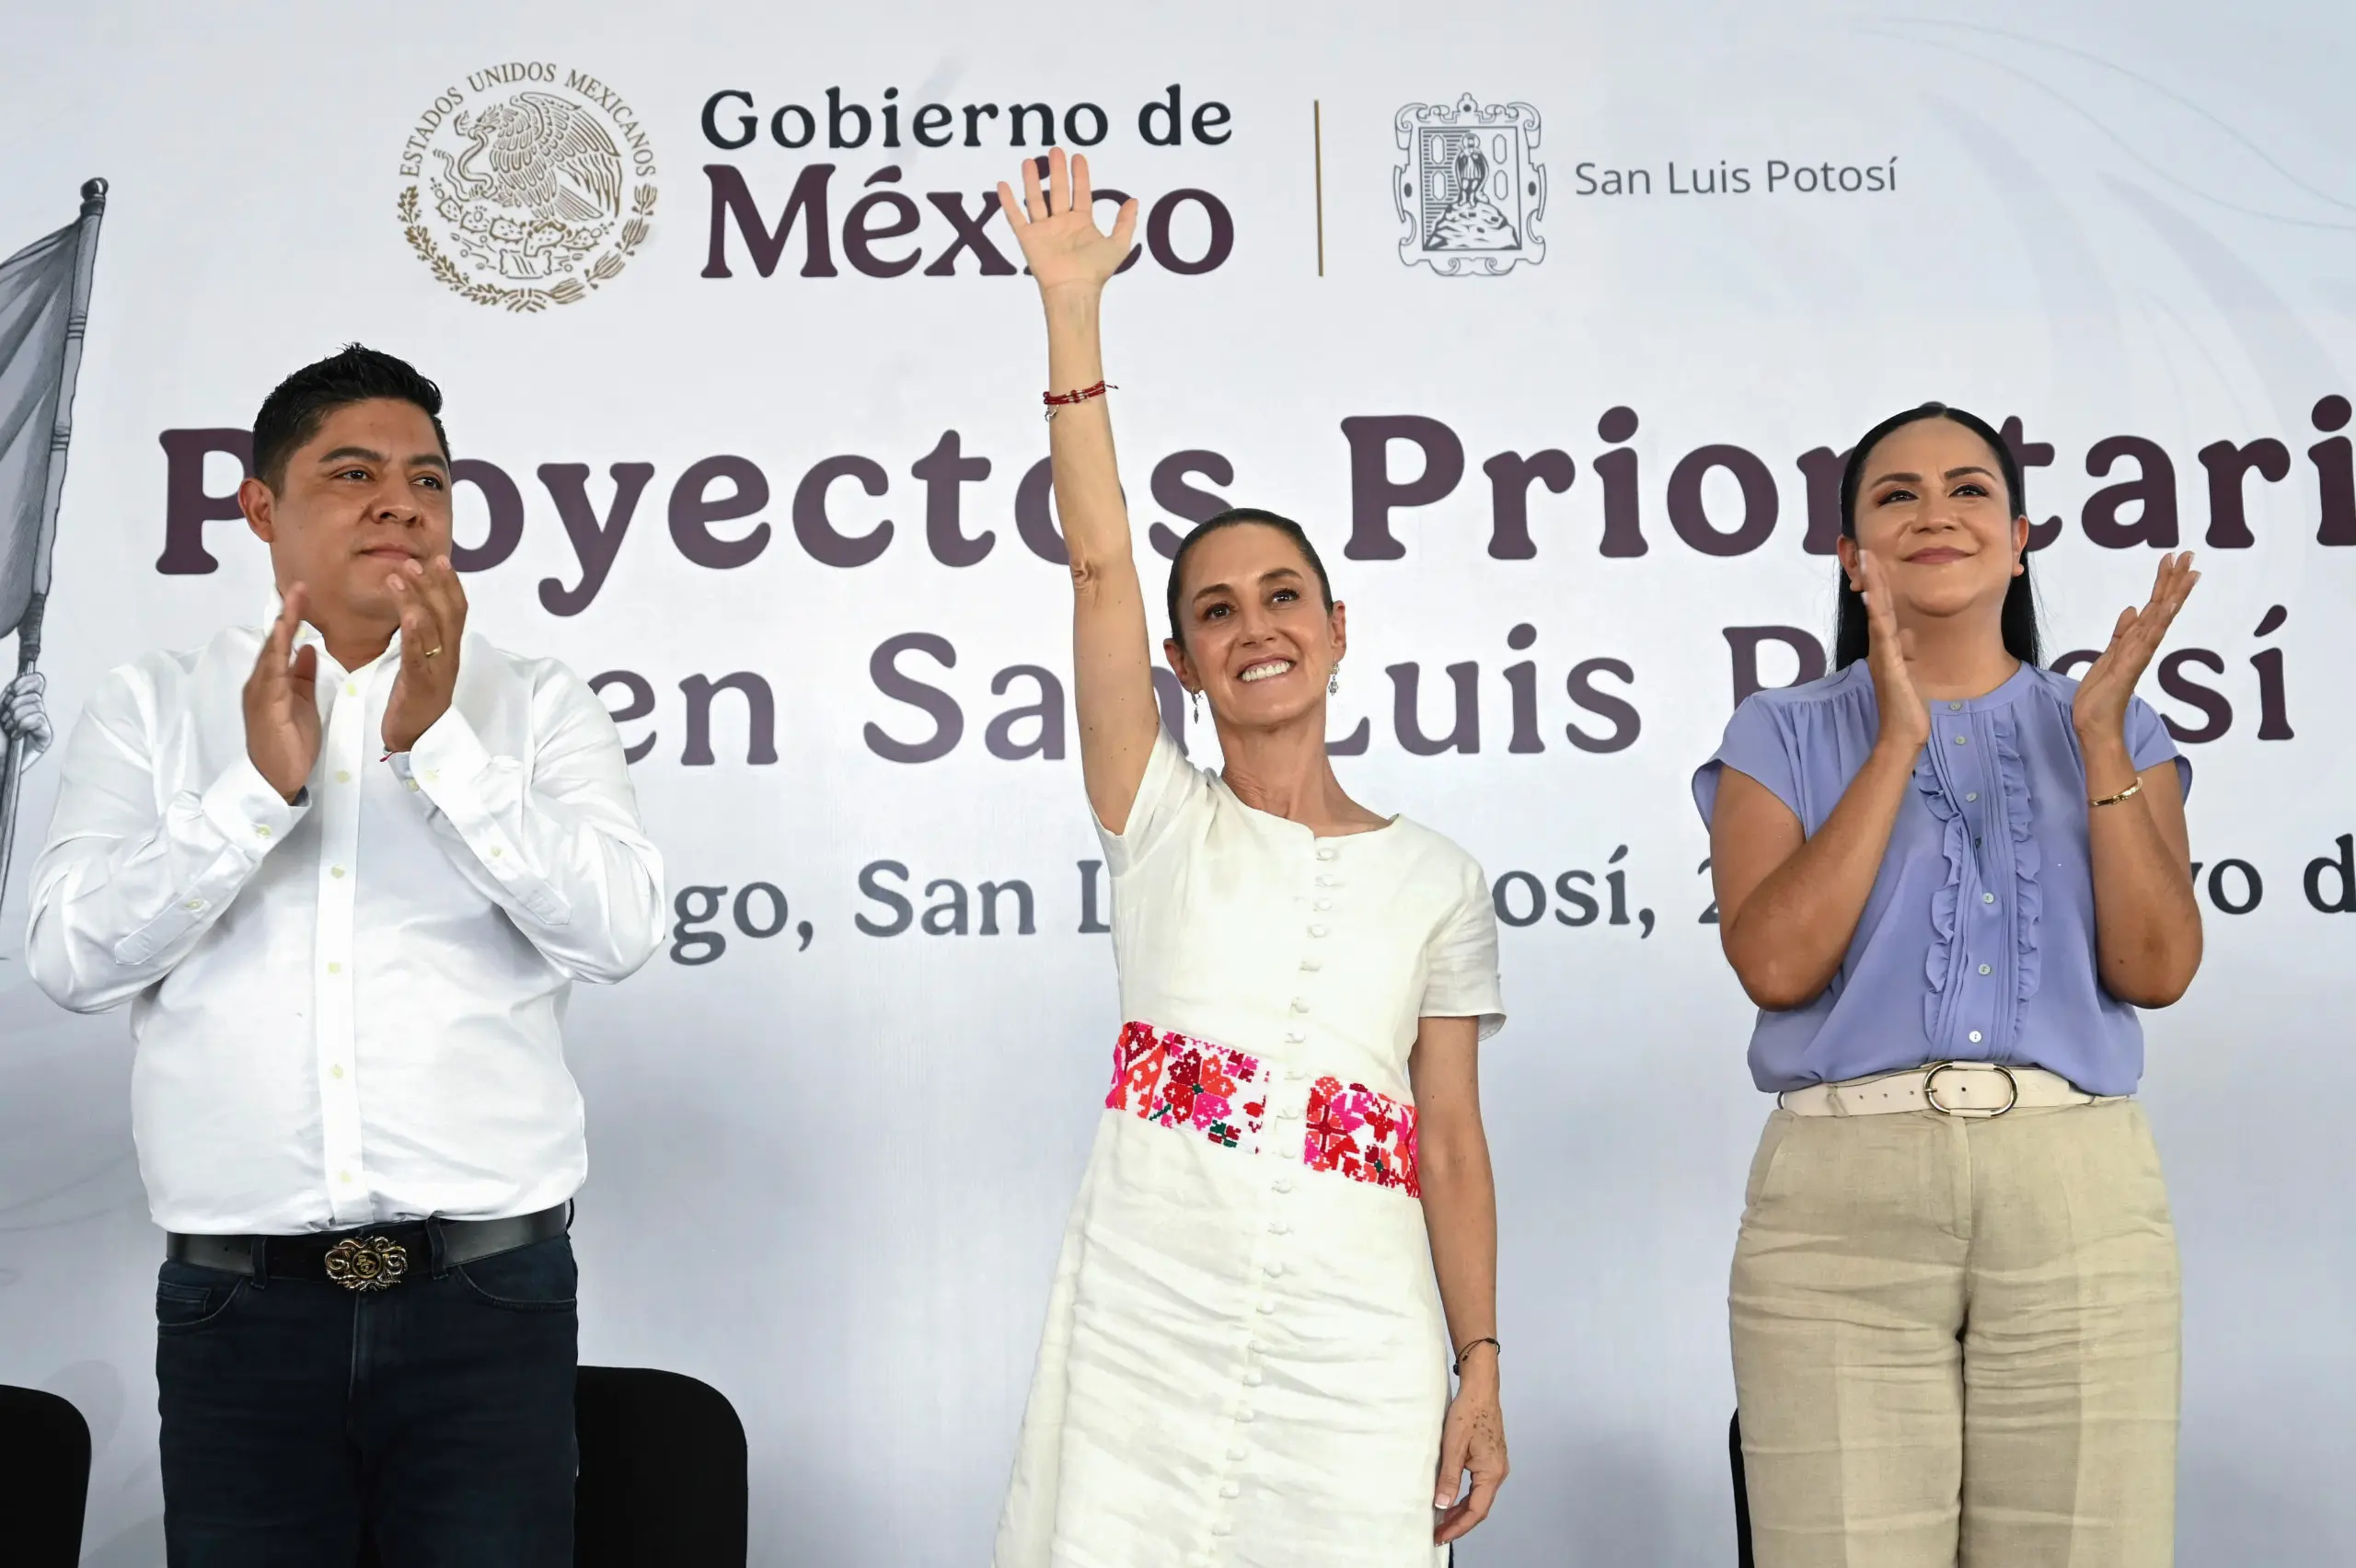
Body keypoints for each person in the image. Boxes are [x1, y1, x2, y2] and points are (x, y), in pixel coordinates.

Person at [25, 344, 665, 1565]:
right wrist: (255, 793)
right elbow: (69, 955)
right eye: (354, 472)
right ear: (262, 507)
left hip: (487, 1301)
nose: (399, 501)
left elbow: (619, 932)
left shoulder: (535, 702)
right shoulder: (155, 705)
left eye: (429, 478)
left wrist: (445, 755)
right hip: (237, 1310)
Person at [987, 150, 1510, 1568]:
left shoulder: (1440, 880)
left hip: (1362, 1336)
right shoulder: (1155, 813)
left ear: (1339, 628)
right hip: (1152, 1302)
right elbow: (1098, 561)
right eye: (1216, 610)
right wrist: (1072, 312)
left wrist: (1482, 1365)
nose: (1255, 625)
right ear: (1183, 660)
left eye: (1285, 596)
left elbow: (1451, 1144)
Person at [1695, 402, 2201, 1568]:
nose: (1936, 513)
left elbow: (2157, 968)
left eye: (1969, 491)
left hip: (2075, 1193)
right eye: (1896, 495)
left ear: (2019, 538)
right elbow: (1773, 964)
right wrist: (1893, 742)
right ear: (1850, 553)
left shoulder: (2116, 726)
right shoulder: (1779, 731)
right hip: (1839, 1206)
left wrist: (2103, 741)